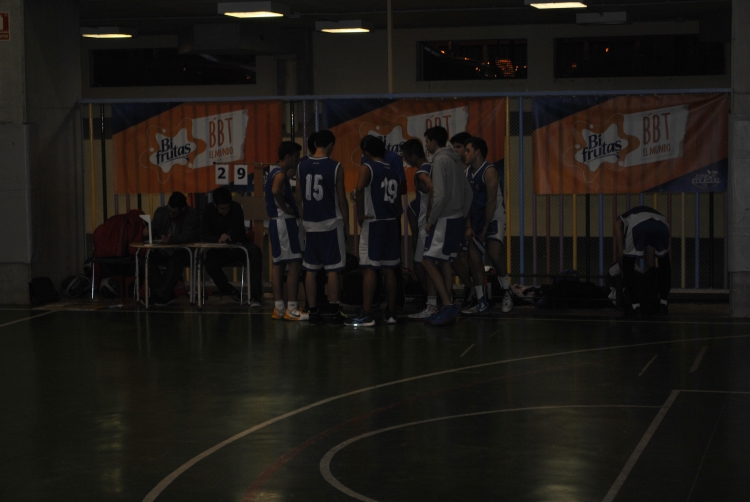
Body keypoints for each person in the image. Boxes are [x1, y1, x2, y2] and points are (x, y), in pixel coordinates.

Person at [345, 136, 402, 326]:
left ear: (366, 152)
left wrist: (360, 214)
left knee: (369, 268)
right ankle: (391, 313)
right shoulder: (392, 170)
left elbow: (360, 188)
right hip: (391, 222)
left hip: (374, 222)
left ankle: (367, 314)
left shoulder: (367, 167)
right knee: (389, 269)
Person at [420, 126, 473, 326]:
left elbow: (440, 195)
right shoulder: (455, 160)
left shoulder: (440, 160)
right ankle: (447, 305)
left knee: (427, 261)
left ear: (434, 142)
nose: (426, 145)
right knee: (445, 262)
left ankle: (448, 304)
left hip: (444, 219)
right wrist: (461, 214)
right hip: (456, 218)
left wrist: (431, 220)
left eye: (427, 141)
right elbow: (469, 193)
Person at [296, 130, 350, 324]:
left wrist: (303, 221)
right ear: (330, 145)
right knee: (333, 268)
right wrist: (346, 223)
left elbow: (299, 198)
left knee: (310, 268)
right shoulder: (336, 166)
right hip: (330, 223)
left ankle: (313, 310)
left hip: (310, 224)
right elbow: (341, 199)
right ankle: (334, 309)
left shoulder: (301, 165)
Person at [461, 137, 513, 315]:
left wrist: (484, 229)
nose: (465, 153)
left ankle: (507, 290)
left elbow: (491, 202)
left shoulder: (490, 171)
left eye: (468, 150)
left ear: (477, 152)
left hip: (494, 217)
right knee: (474, 259)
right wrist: (468, 225)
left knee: (494, 253)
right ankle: (481, 301)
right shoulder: (467, 173)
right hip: (476, 219)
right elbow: (466, 202)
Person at [266, 141, 308, 321]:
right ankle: (291, 308)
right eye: (296, 157)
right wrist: (285, 208)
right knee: (294, 264)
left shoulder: (275, 171)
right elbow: (276, 190)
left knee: (278, 264)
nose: (297, 160)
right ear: (288, 157)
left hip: (277, 223)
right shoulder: (280, 174)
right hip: (284, 222)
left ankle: (279, 308)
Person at [201, 187, 263, 306]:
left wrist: (230, 237)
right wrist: (218, 239)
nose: (225, 211)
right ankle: (230, 291)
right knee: (209, 264)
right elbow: (204, 234)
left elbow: (239, 231)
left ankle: (255, 295)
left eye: (227, 208)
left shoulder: (236, 208)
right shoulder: (208, 210)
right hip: (218, 250)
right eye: (222, 208)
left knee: (255, 251)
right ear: (215, 205)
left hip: (237, 247)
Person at [402, 139, 440, 320]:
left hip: (427, 225)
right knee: (432, 264)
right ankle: (435, 299)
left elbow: (432, 188)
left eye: (406, 156)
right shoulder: (432, 167)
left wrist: (430, 216)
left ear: (413, 155)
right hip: (433, 223)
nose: (405, 159)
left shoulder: (422, 172)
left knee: (422, 264)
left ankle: (431, 300)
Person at [614, 205, 671, 317]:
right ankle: (663, 303)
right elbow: (651, 261)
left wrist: (623, 273)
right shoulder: (645, 216)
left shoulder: (618, 222)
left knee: (628, 263)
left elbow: (621, 253)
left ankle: (635, 306)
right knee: (664, 262)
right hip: (662, 223)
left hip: (639, 225)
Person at [146, 192, 199, 306]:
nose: (170, 214)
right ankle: (165, 293)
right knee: (147, 259)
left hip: (183, 251)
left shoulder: (191, 214)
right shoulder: (161, 212)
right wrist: (147, 232)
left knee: (176, 260)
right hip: (164, 249)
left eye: (173, 212)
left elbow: (188, 235)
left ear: (182, 209)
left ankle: (160, 294)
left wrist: (173, 239)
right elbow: (154, 230)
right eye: (169, 210)